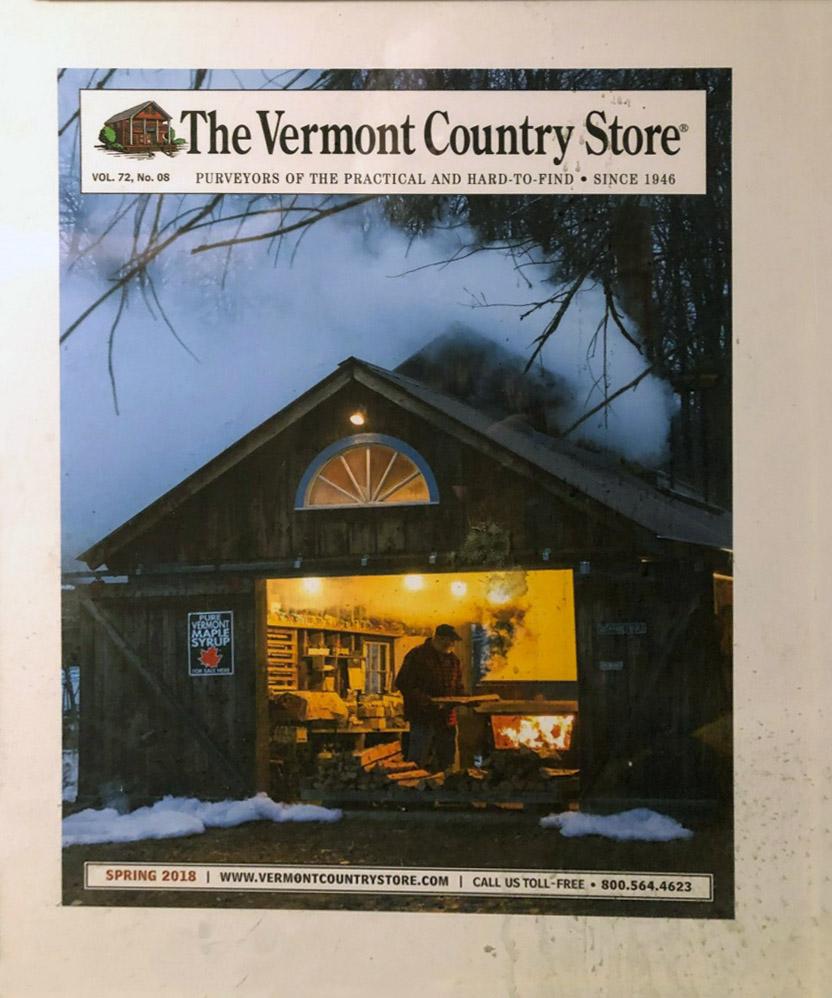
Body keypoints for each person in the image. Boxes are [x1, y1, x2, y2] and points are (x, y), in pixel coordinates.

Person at [394, 624, 465, 772]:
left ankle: (445, 787)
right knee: (418, 758)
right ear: (438, 638)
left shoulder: (453, 660)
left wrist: (465, 699)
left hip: (446, 718)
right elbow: (402, 683)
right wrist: (426, 700)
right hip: (422, 716)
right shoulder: (417, 655)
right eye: (449, 640)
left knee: (446, 759)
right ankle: (412, 785)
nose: (452, 644)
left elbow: (458, 686)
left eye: (453, 641)